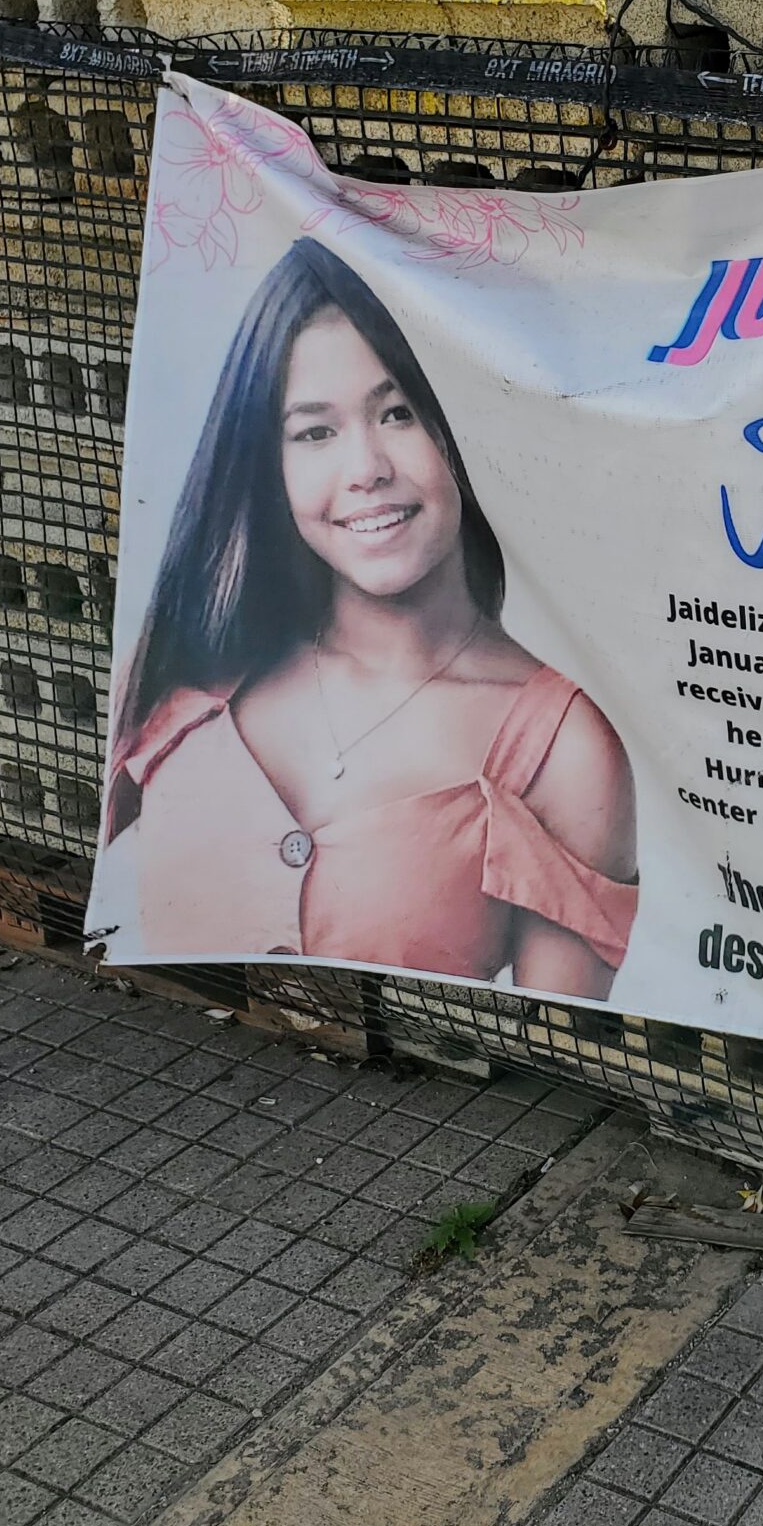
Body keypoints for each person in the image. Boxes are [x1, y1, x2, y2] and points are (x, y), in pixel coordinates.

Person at [104, 238, 636, 998]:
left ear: (466, 426)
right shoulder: (183, 671)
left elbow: (554, 1049)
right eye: (315, 431)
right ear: (268, 461)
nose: (366, 470)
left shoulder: (565, 746)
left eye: (399, 413)